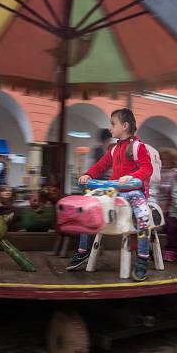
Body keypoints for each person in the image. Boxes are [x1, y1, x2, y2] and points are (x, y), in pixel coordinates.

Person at [67, 108, 154, 281]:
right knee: (87, 206)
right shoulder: (113, 149)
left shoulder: (138, 147)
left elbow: (147, 168)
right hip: (115, 190)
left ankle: (143, 258)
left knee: (143, 215)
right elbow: (100, 166)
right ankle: (83, 251)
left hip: (134, 191)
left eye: (113, 124)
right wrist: (88, 175)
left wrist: (132, 176)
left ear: (125, 126)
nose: (110, 128)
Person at [156, 148, 177, 217]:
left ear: (172, 161)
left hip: (170, 202)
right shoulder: (158, 171)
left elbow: (174, 187)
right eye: (160, 159)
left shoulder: (175, 172)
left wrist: (163, 186)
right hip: (159, 200)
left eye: (164, 159)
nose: (161, 161)